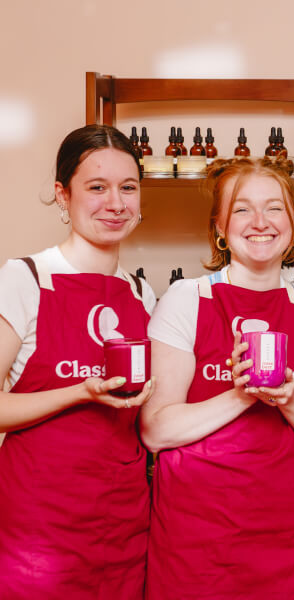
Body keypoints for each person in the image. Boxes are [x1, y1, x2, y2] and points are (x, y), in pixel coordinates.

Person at [141, 156, 294, 599]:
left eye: (274, 208)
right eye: (241, 208)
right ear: (219, 226)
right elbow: (156, 430)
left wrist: (289, 397)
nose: (259, 221)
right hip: (198, 539)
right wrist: (245, 393)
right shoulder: (185, 299)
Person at [0, 124, 156, 597]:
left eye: (128, 188)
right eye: (96, 187)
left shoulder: (142, 294)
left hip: (124, 522)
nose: (115, 203)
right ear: (62, 196)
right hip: (37, 530)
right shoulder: (24, 278)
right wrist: (82, 390)